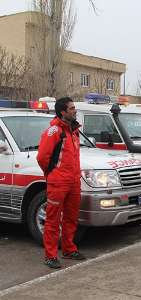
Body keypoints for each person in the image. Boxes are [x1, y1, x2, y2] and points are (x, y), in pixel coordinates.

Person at [36, 97, 85, 269]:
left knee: (71, 217)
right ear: (63, 112)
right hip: (59, 182)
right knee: (53, 220)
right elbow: (42, 157)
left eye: (74, 107)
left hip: (73, 181)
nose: (74, 110)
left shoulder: (74, 131)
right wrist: (52, 175)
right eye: (71, 108)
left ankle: (69, 249)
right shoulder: (54, 131)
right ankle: (50, 255)